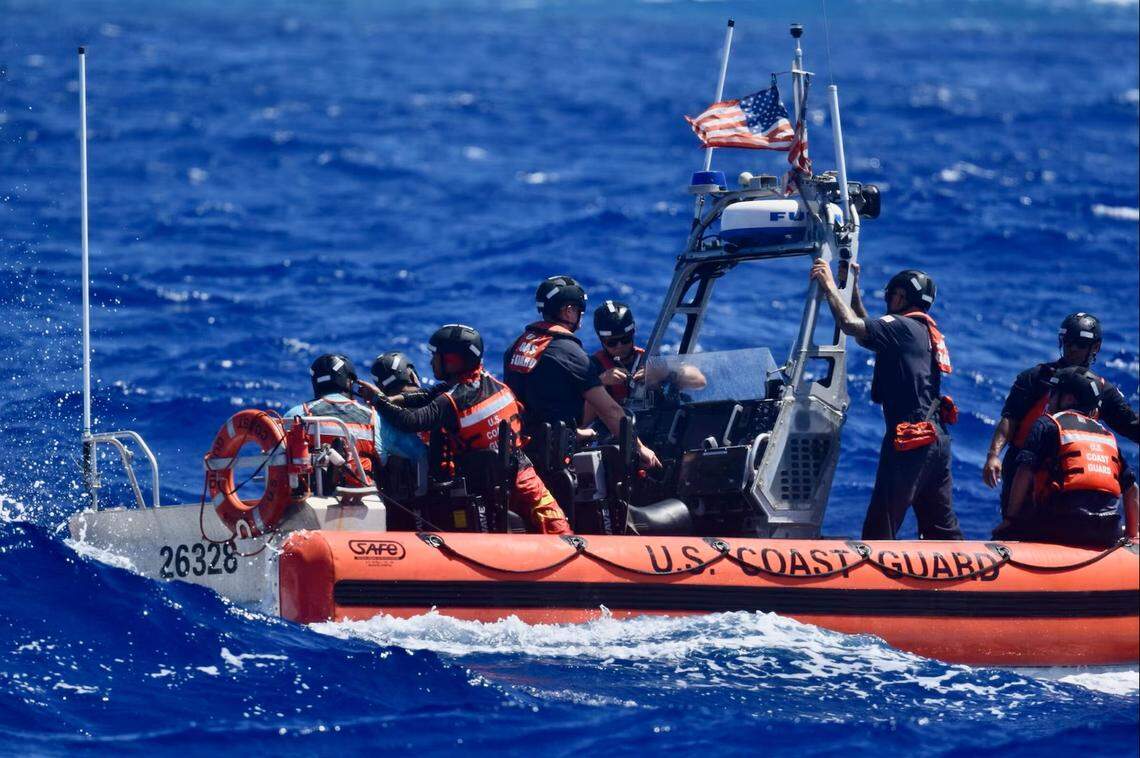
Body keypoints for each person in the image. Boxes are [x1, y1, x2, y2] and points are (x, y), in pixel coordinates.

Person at [361, 324, 572, 535]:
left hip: (489, 483)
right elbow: (430, 394)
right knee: (556, 523)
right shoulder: (490, 383)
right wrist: (394, 400)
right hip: (521, 472)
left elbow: (410, 421)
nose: (431, 362)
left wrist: (378, 401)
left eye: (435, 356)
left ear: (452, 361)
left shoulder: (452, 401)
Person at [810, 262, 964, 540]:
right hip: (936, 440)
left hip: (911, 439)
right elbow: (868, 336)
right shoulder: (920, 330)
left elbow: (850, 325)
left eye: (891, 295)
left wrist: (828, 284)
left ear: (901, 297)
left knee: (880, 527)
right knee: (941, 529)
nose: (888, 300)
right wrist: (853, 290)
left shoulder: (901, 326)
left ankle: (871, 567)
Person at [983, 312, 1139, 515]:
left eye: (1080, 344)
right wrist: (993, 455)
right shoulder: (1035, 378)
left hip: (1067, 477)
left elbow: (1133, 427)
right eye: (1068, 342)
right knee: (1016, 524)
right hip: (1024, 469)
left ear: (1096, 347)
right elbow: (1009, 419)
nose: (1072, 348)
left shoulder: (1101, 390)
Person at [503, 276, 661, 470]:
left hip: (521, 451)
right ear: (569, 311)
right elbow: (610, 410)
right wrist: (640, 448)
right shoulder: (570, 353)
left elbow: (535, 405)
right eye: (579, 310)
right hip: (554, 458)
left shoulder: (516, 347)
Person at [994, 366, 1139, 547]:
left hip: (1064, 527)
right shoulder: (1106, 436)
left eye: (1054, 394)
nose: (1049, 400)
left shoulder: (1047, 424)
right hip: (1109, 531)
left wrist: (1010, 520)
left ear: (1069, 398)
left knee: (1007, 533)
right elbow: (1132, 489)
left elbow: (1024, 472)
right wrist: (1132, 536)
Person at [285, 354, 426, 489]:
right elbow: (419, 452)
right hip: (364, 496)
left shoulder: (297, 414)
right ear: (349, 382)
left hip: (309, 496)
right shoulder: (375, 417)